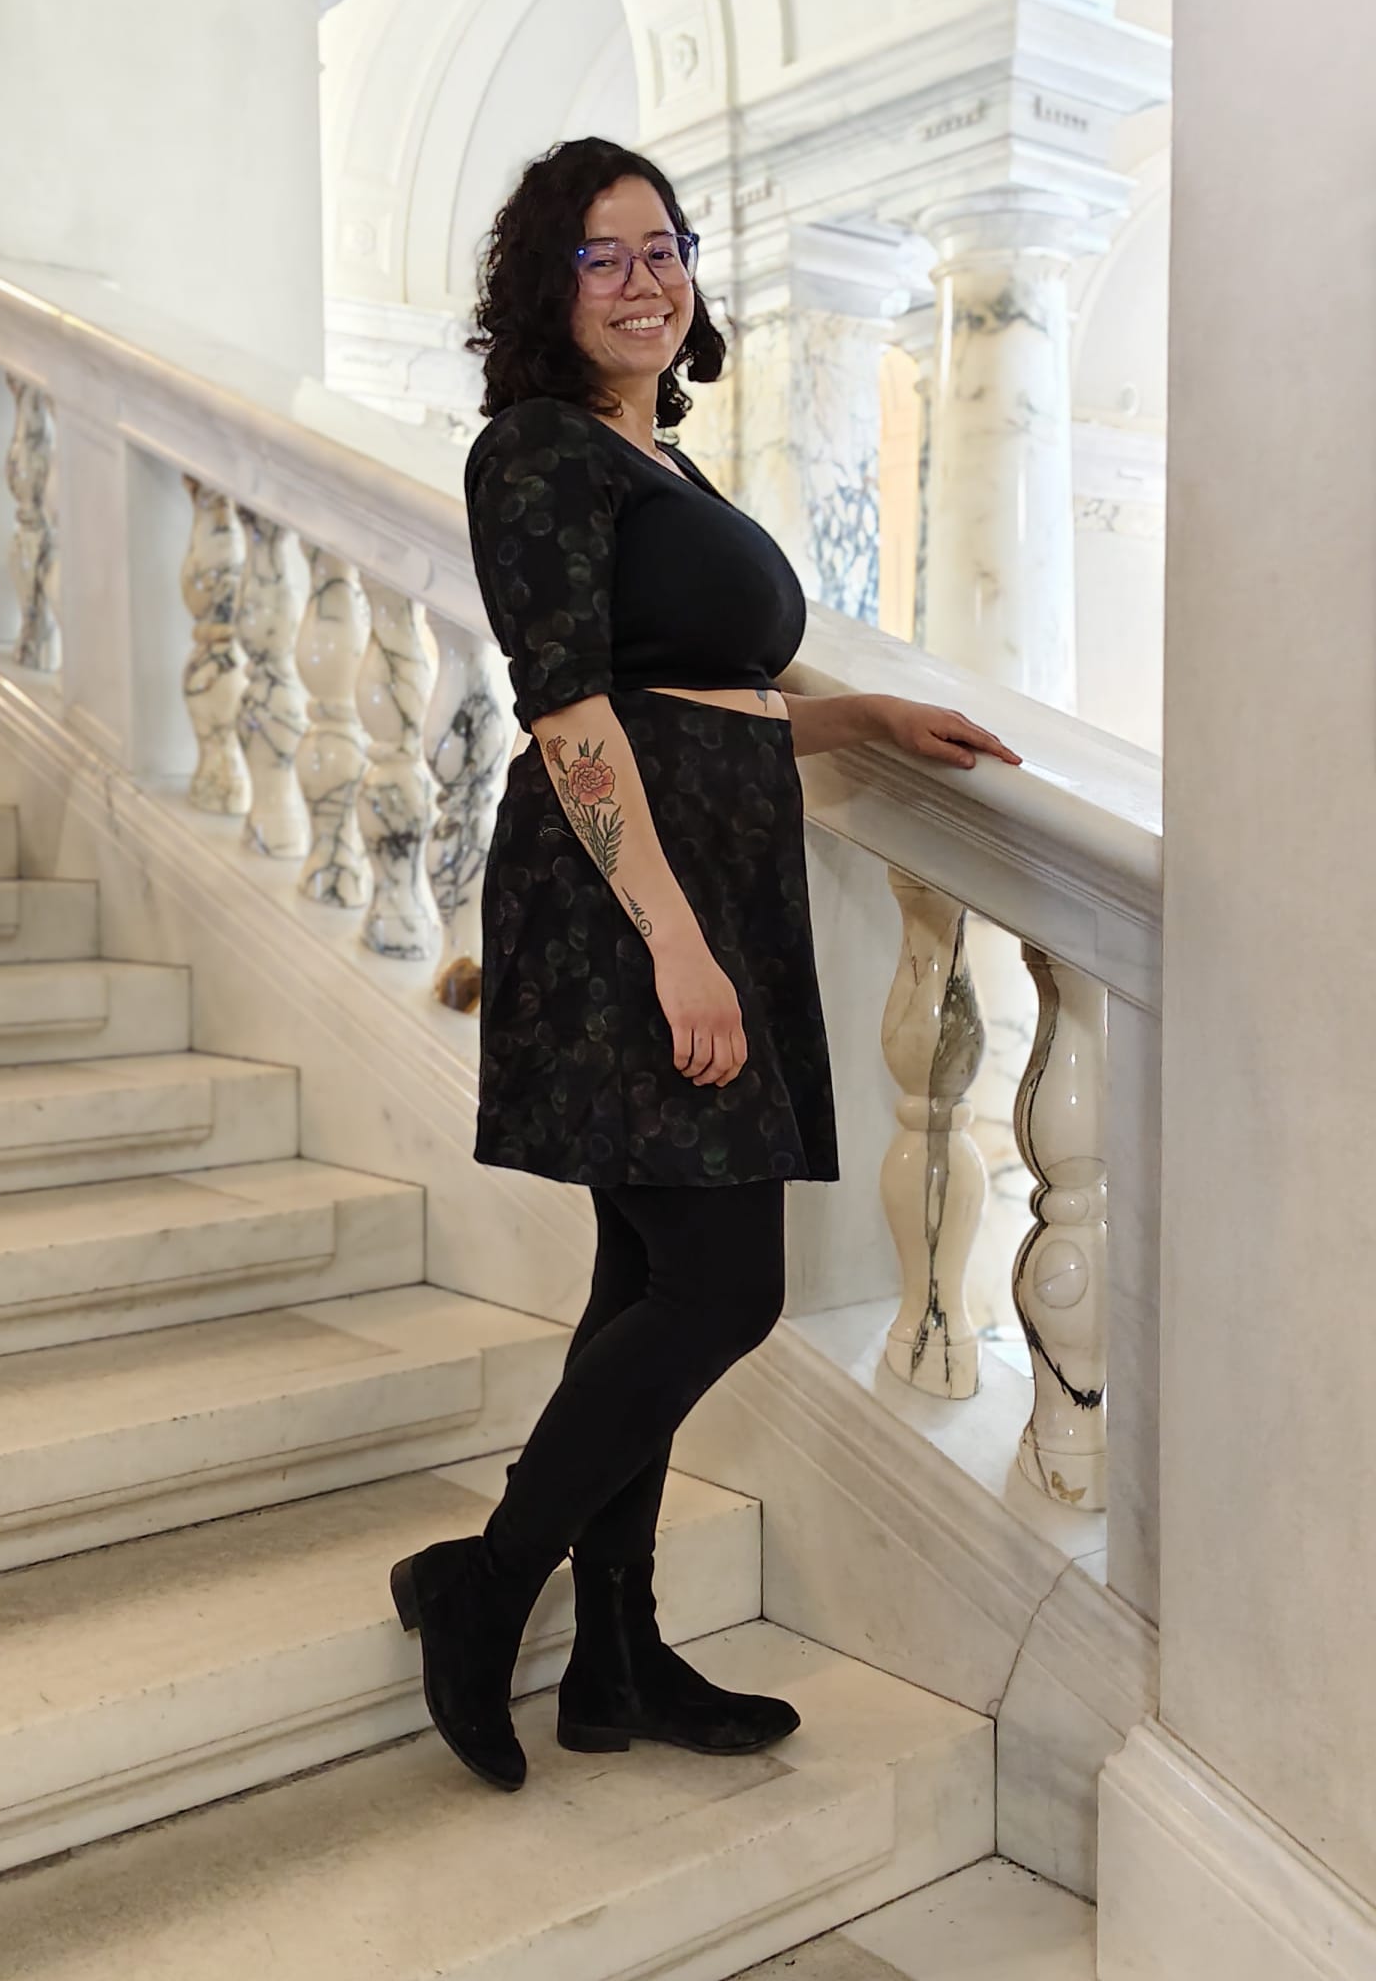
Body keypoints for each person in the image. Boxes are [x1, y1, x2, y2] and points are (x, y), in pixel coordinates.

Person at [390, 136, 1022, 1793]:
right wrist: (675, 942)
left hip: (710, 876)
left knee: (645, 1280)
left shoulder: (657, 462)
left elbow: (705, 703)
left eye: (663, 248)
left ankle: (616, 1655)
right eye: (602, 255)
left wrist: (858, 717)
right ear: (547, 286)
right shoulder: (535, 449)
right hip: (628, 901)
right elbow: (571, 708)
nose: (644, 279)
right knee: (721, 1287)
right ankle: (485, 1586)